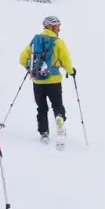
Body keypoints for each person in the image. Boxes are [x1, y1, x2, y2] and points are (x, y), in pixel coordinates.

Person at [20, 14, 75, 146]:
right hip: (54, 81)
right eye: (57, 26)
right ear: (51, 26)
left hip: (37, 81)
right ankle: (59, 118)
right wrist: (71, 71)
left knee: (41, 108)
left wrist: (31, 68)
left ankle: (44, 133)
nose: (59, 29)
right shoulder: (58, 42)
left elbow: (22, 59)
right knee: (57, 105)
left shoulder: (35, 40)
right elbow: (66, 60)